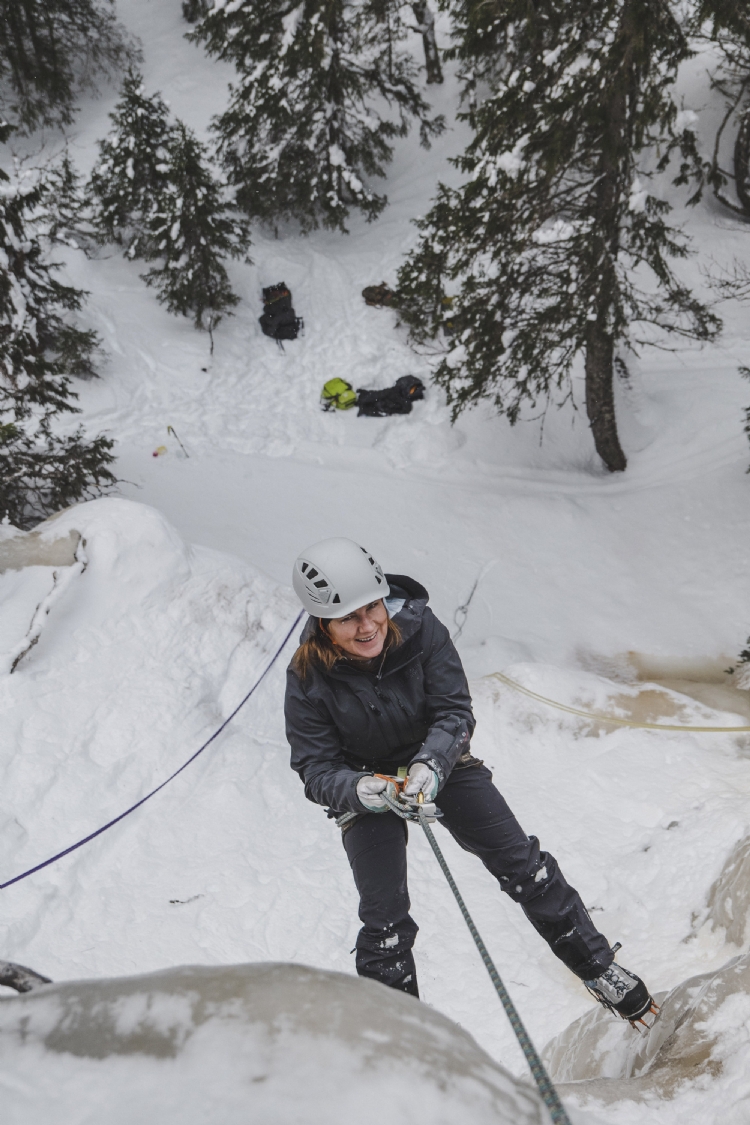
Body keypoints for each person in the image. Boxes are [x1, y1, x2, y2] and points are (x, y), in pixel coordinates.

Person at [284, 537, 656, 1024]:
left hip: (440, 760)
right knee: (384, 916)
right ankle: (398, 1033)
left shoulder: (420, 629)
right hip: (366, 784)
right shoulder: (308, 677)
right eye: (348, 618)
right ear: (323, 625)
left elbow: (454, 711)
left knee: (524, 866)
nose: (368, 624)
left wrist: (431, 764)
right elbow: (315, 768)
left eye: (372, 607)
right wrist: (358, 789)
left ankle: (597, 966)